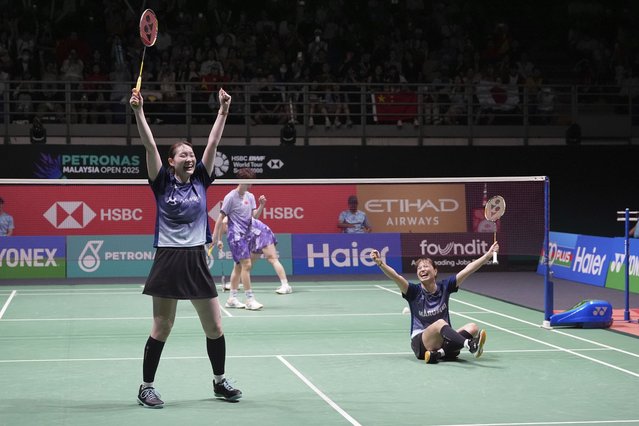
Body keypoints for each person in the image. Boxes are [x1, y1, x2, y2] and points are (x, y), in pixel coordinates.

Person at [129, 86, 241, 408]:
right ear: (171, 161)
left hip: (195, 258)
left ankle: (220, 382)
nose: (190, 158)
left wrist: (222, 111)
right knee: (162, 326)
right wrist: (138, 111)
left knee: (215, 326)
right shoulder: (161, 181)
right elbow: (149, 145)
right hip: (168, 258)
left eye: (192, 154)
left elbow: (214, 143)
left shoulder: (201, 180)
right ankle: (146, 387)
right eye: (184, 155)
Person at [369, 241, 499, 364]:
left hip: (442, 340)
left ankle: (439, 354)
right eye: (419, 268)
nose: (422, 269)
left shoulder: (445, 286)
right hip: (421, 343)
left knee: (473, 327)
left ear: (435, 271)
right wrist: (380, 263)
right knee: (440, 323)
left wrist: (488, 255)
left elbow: (468, 270)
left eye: (426, 266)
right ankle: (470, 345)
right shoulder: (413, 292)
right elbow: (396, 277)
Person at [212, 169, 293, 310]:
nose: (250, 185)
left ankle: (232, 299)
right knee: (247, 265)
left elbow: (254, 217)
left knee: (238, 267)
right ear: (242, 181)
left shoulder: (250, 196)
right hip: (235, 236)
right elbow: (220, 219)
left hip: (246, 235)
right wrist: (216, 238)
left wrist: (262, 205)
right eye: (248, 182)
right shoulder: (230, 197)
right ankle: (250, 299)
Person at [216, 215, 294, 300]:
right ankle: (235, 284)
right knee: (245, 263)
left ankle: (286, 285)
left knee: (272, 259)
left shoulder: (230, 216)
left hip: (262, 233)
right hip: (252, 237)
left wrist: (219, 239)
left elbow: (222, 224)